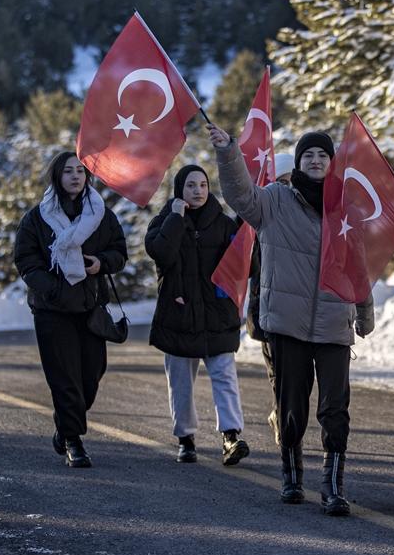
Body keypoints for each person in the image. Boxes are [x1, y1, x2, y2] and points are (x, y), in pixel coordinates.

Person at [210, 125, 374, 518]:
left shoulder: (344, 208)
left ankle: (333, 486)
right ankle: (292, 474)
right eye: (308, 156)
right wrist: (229, 153)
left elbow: (358, 265)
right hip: (288, 323)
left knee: (335, 408)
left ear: (331, 163)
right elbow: (239, 195)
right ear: (299, 162)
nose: (315, 161)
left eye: (322, 155)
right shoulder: (275, 200)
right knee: (291, 405)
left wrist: (365, 311)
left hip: (335, 322)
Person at [14, 151, 128, 469]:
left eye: (80, 171)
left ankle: (65, 427)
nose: (76, 176)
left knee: (91, 375)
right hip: (52, 309)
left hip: (90, 306)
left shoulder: (101, 214)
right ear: (57, 177)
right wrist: (52, 288)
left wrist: (101, 263)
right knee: (64, 378)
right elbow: (25, 260)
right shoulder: (38, 217)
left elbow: (119, 251)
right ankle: (74, 441)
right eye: (68, 171)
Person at [146, 164, 249, 466]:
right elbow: (161, 253)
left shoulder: (224, 223)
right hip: (178, 315)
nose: (198, 191)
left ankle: (230, 436)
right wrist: (176, 217)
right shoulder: (164, 221)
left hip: (217, 315)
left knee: (225, 376)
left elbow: (246, 268)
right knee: (180, 381)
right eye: (191, 185)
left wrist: (246, 235)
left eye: (203, 185)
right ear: (180, 190)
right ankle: (185, 438)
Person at [248, 152, 293, 446]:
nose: (287, 188)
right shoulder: (259, 219)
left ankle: (286, 414)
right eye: (281, 181)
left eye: (292, 181)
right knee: (278, 371)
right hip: (267, 308)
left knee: (297, 375)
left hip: (299, 309)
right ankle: (283, 416)